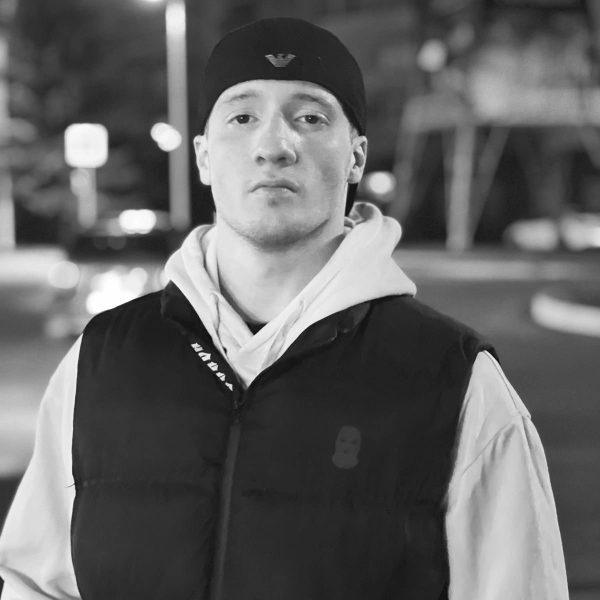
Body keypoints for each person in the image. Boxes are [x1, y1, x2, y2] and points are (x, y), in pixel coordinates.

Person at [0, 17, 568, 600]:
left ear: (356, 157)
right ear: (203, 157)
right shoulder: (101, 361)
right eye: (242, 117)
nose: (274, 146)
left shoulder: (456, 380)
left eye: (310, 118)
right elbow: (32, 584)